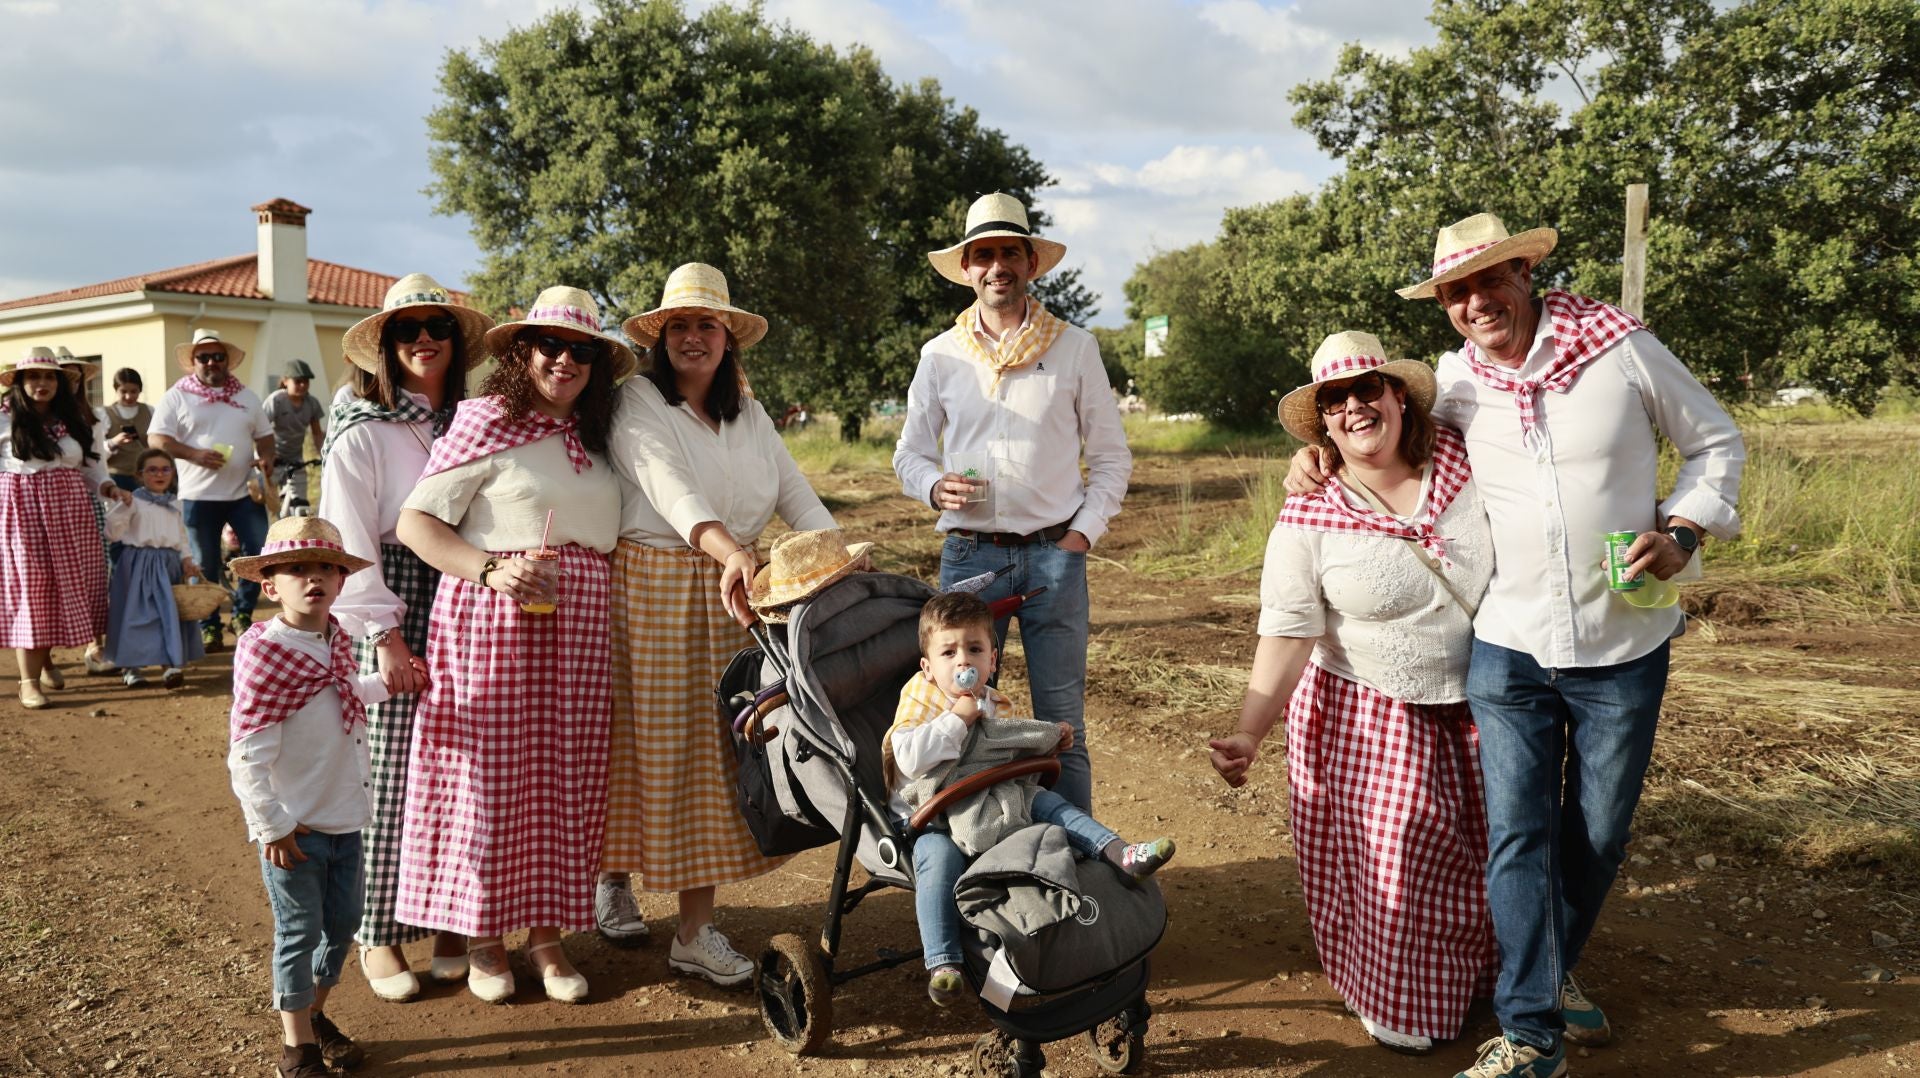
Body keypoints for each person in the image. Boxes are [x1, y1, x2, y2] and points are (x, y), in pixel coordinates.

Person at [1289, 215, 1745, 1078]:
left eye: (1489, 280)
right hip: (1508, 646)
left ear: (1526, 274)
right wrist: (1315, 461)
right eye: (1456, 293)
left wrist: (1684, 530)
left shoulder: (1619, 350)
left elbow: (1715, 442)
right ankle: (1531, 1032)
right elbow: (1387, 446)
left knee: (1597, 836)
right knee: (1517, 836)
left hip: (1623, 642)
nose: (1475, 303)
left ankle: (1545, 965)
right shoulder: (1457, 383)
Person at [1211, 331, 1496, 1055]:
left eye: (1367, 389)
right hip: (1371, 708)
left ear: (1398, 394)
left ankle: (1499, 978)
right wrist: (1249, 731)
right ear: (1323, 426)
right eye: (1334, 402)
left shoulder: (1466, 457)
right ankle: (1405, 1000)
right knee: (1403, 858)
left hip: (1488, 699)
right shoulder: (1311, 511)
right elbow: (1287, 630)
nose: (1354, 408)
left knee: (1493, 852)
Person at [600, 263, 837, 985]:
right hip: (658, 585)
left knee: (716, 752)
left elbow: (794, 491)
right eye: (679, 325)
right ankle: (613, 877)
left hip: (737, 590)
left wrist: (838, 558)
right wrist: (730, 549)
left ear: (728, 337)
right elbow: (668, 488)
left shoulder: (749, 413)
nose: (693, 337)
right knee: (648, 744)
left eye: (706, 324)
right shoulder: (637, 400)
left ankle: (692, 929)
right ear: (659, 337)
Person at [394, 285, 625, 1005]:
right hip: (494, 619)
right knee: (489, 782)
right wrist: (491, 569)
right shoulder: (486, 419)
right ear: (523, 353)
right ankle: (485, 937)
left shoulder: (598, 434)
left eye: (581, 350)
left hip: (580, 624)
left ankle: (547, 938)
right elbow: (415, 524)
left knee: (566, 779)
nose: (564, 360)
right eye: (550, 345)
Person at [892, 192, 1133, 813]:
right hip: (971, 557)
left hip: (1055, 555)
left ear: (1030, 263)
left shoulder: (1074, 347)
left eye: (1009, 253)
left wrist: (1079, 536)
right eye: (984, 255)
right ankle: (978, 851)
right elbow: (909, 454)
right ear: (967, 267)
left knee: (1062, 722)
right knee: (960, 710)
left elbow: (1112, 457)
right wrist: (933, 486)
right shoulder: (940, 354)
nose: (997, 266)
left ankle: (1081, 858)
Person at [322, 272, 492, 1002]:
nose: (424, 339)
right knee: (389, 769)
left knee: (461, 761)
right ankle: (378, 932)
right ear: (386, 346)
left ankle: (451, 919)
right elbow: (349, 537)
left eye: (437, 327)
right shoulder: (362, 428)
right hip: (391, 590)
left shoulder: (473, 418)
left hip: (466, 589)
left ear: (455, 340)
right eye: (407, 329)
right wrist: (384, 633)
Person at [891, 590, 1174, 1006]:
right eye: (948, 652)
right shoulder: (919, 698)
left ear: (993, 659)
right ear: (928, 667)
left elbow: (1005, 753)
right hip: (934, 816)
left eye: (974, 649)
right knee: (938, 860)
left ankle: (1120, 854)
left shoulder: (994, 702)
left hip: (993, 800)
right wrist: (956, 720)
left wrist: (1048, 741)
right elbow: (909, 759)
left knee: (1046, 802)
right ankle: (944, 962)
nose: (963, 661)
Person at [225, 515, 394, 1078]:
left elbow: (338, 691)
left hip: (344, 816)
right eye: (296, 568)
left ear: (341, 582)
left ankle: (314, 1014)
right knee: (298, 934)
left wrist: (386, 684)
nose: (313, 577)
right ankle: (296, 1048)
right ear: (270, 586)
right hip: (294, 828)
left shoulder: (336, 638)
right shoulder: (266, 652)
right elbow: (247, 753)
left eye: (326, 567)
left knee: (343, 924)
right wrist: (271, 824)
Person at [148, 328, 275, 652]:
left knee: (259, 553)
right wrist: (193, 454)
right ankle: (209, 627)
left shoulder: (246, 396)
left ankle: (242, 614)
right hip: (197, 496)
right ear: (193, 362)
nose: (211, 362)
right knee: (203, 565)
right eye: (203, 357)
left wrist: (266, 458)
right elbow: (157, 439)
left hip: (243, 493)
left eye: (217, 356)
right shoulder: (177, 395)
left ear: (226, 360)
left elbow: (265, 437)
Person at [1, 346, 112, 709]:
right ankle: (28, 682)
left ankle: (44, 659)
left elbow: (93, 469)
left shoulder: (75, 420)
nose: (42, 383)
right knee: (32, 591)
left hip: (71, 515)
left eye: (49, 376)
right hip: (23, 515)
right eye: (33, 376)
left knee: (60, 589)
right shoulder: (4, 419)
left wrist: (108, 488)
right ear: (19, 382)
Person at [102, 448, 204, 688]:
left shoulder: (175, 503)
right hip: (138, 565)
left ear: (173, 473)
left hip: (169, 565)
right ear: (140, 475)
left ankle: (169, 665)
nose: (160, 474)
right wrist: (122, 506)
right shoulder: (133, 501)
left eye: (165, 469)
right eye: (152, 470)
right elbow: (112, 533)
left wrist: (187, 559)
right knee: (136, 615)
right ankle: (130, 667)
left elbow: (181, 536)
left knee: (168, 614)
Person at [264, 359, 327, 516]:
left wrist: (323, 456)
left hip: (295, 460)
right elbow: (261, 430)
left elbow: (317, 433)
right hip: (272, 459)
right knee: (263, 503)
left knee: (301, 506)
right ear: (285, 381)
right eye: (298, 381)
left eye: (306, 381)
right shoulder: (276, 400)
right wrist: (268, 455)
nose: (303, 385)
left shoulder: (312, 403)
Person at [103, 367, 153, 493]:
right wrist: (114, 442)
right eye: (123, 391)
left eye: (133, 391)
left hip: (143, 476)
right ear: (116, 390)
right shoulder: (104, 414)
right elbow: (96, 450)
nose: (128, 396)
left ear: (140, 390)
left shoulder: (150, 411)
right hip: (116, 477)